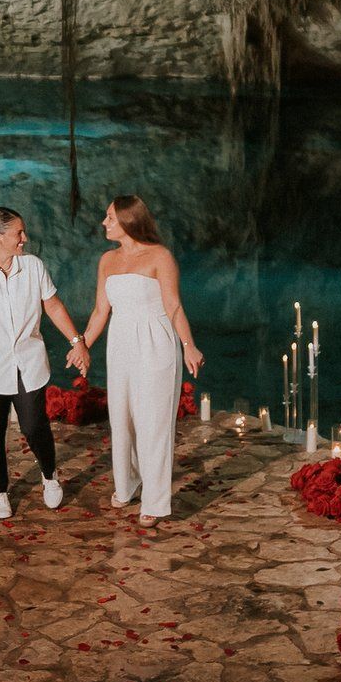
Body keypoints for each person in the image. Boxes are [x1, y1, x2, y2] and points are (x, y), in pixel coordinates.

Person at [0, 206, 90, 519]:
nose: (24, 239)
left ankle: (49, 475)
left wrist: (77, 342)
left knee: (33, 425)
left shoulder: (33, 267)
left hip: (28, 362)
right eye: (18, 233)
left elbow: (52, 306)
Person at [80, 195, 203, 527]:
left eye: (109, 218)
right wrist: (83, 344)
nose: (104, 223)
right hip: (120, 343)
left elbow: (174, 306)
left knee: (153, 422)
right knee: (122, 418)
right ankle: (127, 484)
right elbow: (100, 310)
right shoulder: (107, 260)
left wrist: (189, 346)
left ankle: (155, 500)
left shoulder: (160, 256)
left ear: (128, 220)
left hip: (155, 343)